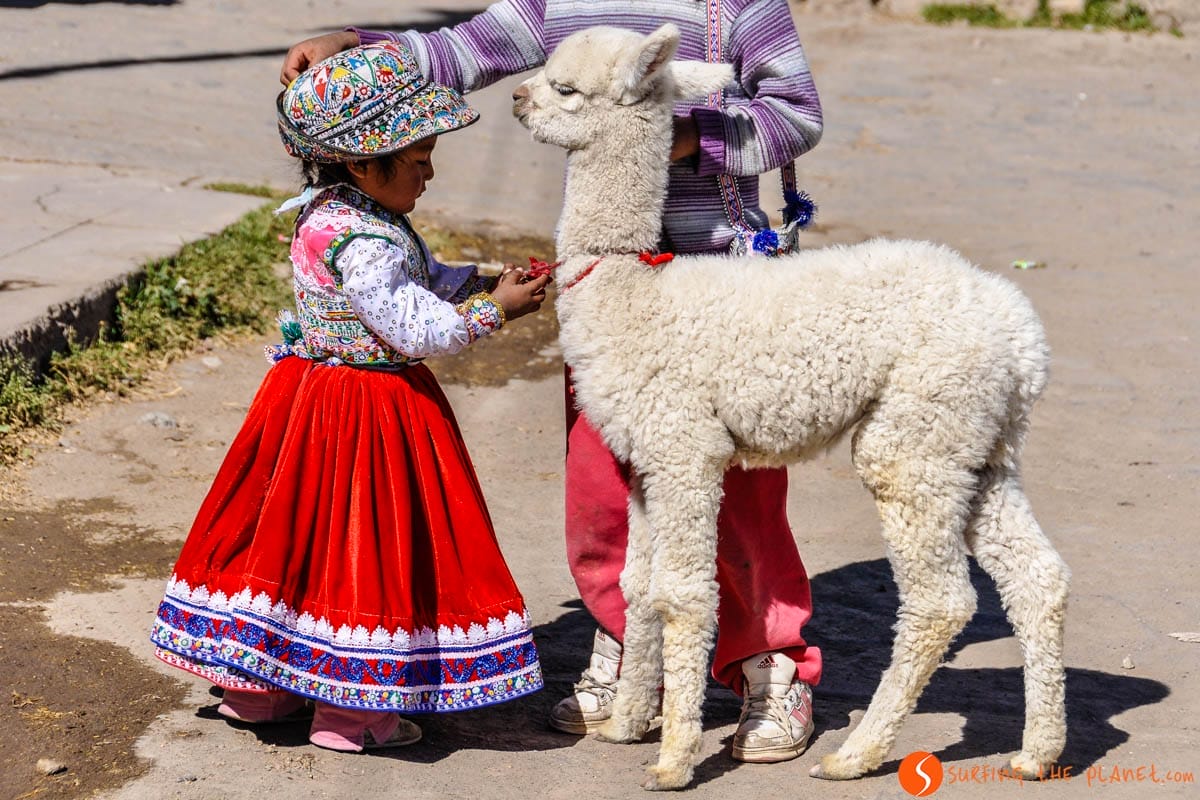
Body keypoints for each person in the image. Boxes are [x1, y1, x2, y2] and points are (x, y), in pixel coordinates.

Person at [283, 0, 824, 764]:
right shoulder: (562, 4)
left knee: (740, 496)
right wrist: (355, 43)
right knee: (603, 487)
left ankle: (768, 662)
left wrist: (675, 137)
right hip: (607, 282)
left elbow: (794, 116)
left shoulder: (737, 8)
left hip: (719, 282)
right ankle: (628, 644)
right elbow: (464, 48)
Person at [150, 41, 552, 753]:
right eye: (419, 161)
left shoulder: (331, 211)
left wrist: (476, 279)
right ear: (364, 163)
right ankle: (353, 712)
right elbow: (410, 325)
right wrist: (496, 310)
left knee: (289, 541)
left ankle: (261, 688)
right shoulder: (365, 239)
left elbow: (404, 282)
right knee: (362, 548)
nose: (429, 175)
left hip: (304, 399)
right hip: (371, 411)